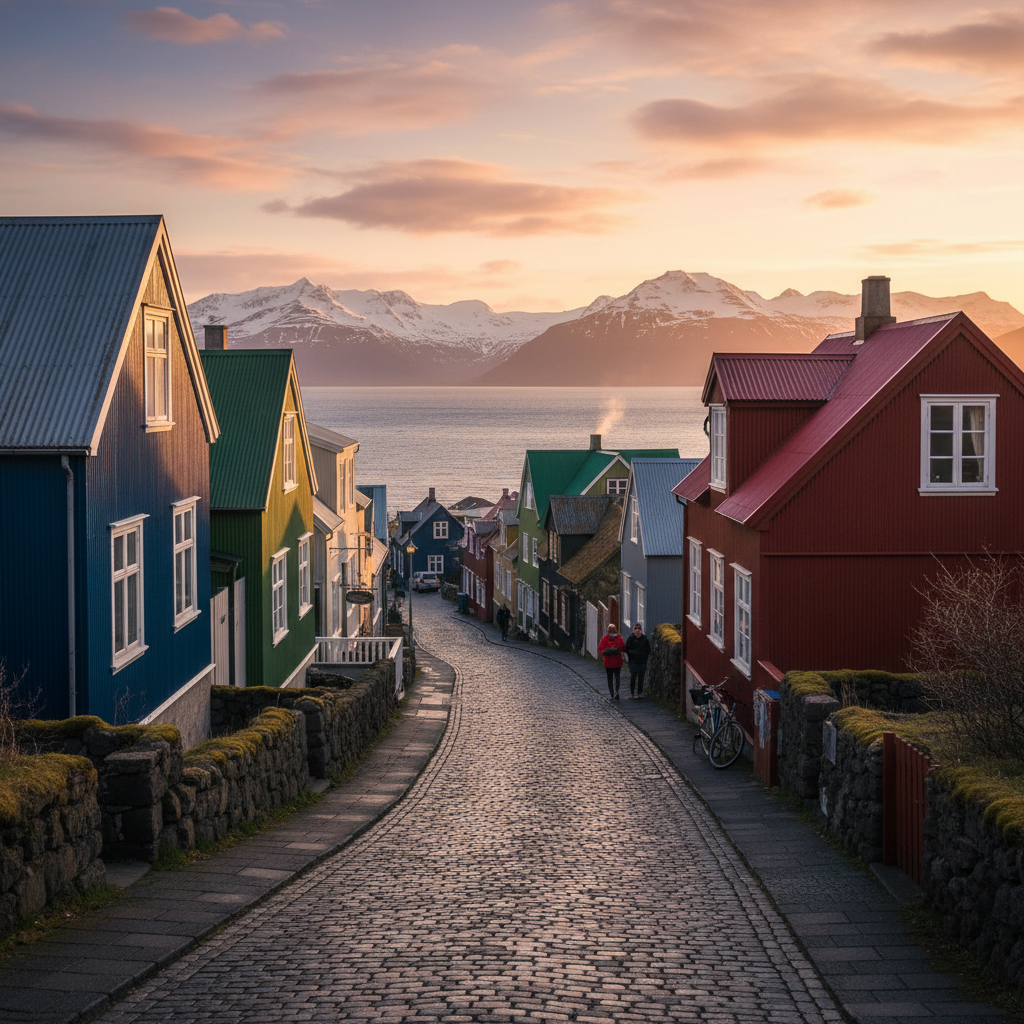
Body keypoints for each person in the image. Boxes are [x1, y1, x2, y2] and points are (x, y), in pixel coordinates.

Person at [598, 623, 626, 700]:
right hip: (617, 661)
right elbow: (623, 647)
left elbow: (600, 649)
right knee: (617, 677)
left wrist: (605, 652)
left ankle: (612, 693)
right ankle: (617, 691)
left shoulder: (605, 638)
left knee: (609, 678)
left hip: (608, 662)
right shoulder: (619, 638)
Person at [625, 622, 651, 699]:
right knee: (633, 677)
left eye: (639, 630)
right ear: (633, 631)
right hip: (633, 661)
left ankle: (640, 692)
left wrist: (644, 655)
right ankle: (632, 692)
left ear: (641, 631)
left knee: (641, 678)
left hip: (642, 661)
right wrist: (632, 654)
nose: (637, 632)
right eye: (636, 630)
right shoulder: (630, 639)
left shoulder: (644, 639)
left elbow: (648, 649)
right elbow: (626, 649)